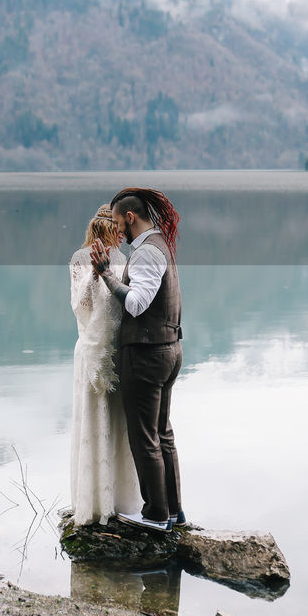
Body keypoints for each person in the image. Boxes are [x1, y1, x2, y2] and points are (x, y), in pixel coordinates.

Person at [90, 187, 184, 532]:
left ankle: (156, 516)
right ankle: (174, 512)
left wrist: (106, 274)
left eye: (118, 222)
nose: (116, 231)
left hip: (146, 354)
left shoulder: (146, 253)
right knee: (163, 433)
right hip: (169, 348)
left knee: (144, 437)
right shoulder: (162, 246)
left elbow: (136, 303)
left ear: (131, 217)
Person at [69, 205, 141, 525]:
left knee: (116, 422)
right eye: (114, 232)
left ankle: (118, 501)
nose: (119, 239)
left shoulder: (122, 261)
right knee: (94, 420)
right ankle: (95, 502)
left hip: (114, 348)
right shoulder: (79, 260)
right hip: (90, 349)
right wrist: (96, 275)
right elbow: (80, 306)